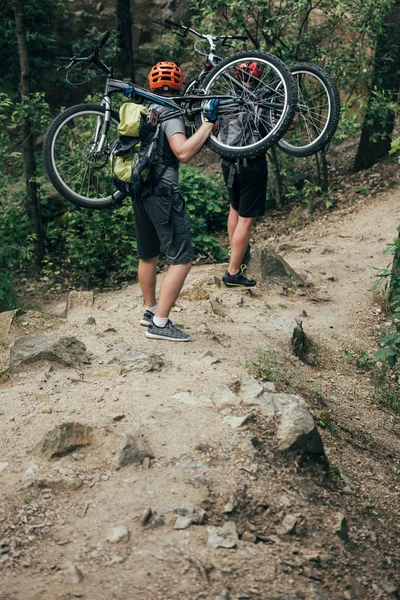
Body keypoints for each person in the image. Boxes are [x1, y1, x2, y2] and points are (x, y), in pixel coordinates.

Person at [135, 61, 219, 341]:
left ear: (152, 84)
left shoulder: (147, 109)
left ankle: (150, 310)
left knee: (148, 254)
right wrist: (207, 126)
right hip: (163, 191)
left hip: (141, 189)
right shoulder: (170, 111)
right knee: (181, 260)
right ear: (180, 85)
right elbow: (182, 151)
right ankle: (159, 323)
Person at [219, 61, 268, 288]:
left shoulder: (225, 98)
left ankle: (236, 254)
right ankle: (233, 271)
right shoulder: (263, 98)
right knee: (246, 219)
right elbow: (291, 122)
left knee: (235, 210)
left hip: (228, 161)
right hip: (252, 163)